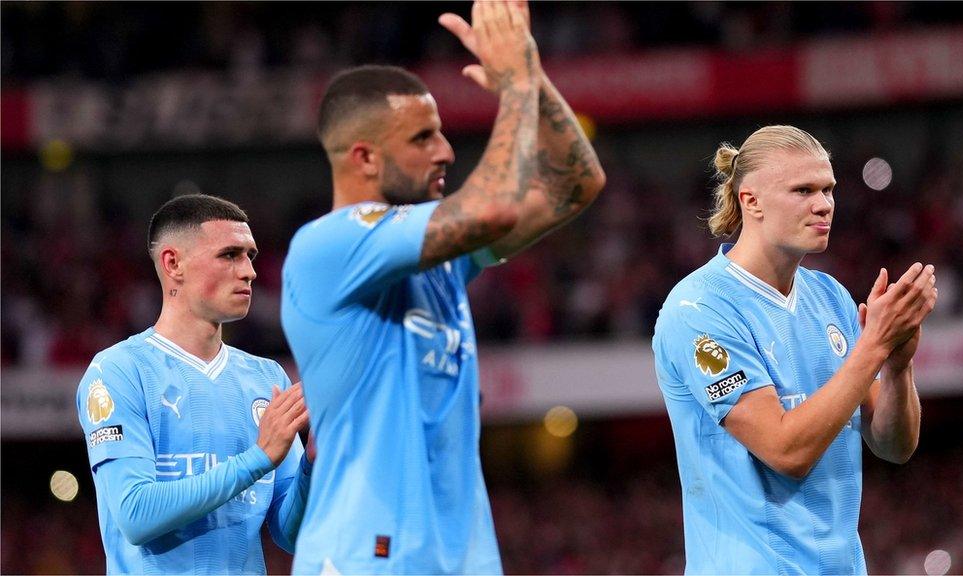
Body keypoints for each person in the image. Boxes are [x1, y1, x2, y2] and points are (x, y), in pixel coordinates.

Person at [279, 1, 605, 572]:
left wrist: (532, 72)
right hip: (365, 558)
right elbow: (497, 206)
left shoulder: (441, 261)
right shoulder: (326, 247)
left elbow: (575, 185)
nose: (446, 151)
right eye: (423, 138)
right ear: (365, 157)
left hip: (462, 558)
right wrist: (516, 87)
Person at [652, 126, 937, 574]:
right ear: (752, 201)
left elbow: (893, 444)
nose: (823, 204)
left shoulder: (831, 296)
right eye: (803, 190)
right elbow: (786, 450)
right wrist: (875, 344)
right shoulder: (699, 310)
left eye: (828, 189)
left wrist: (898, 366)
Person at [75, 194, 314, 575]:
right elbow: (136, 515)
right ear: (174, 264)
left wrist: (312, 469)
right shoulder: (118, 371)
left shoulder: (267, 377)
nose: (249, 271)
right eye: (230, 255)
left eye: (250, 256)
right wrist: (258, 458)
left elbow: (290, 534)